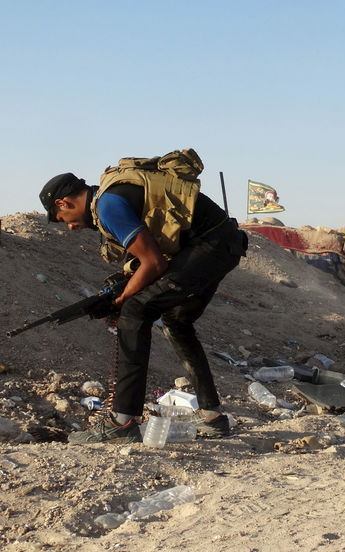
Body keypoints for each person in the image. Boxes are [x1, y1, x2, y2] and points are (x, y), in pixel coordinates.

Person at [40, 149, 248, 444]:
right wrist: (120, 290)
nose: (71, 226)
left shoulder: (109, 206)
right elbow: (147, 258)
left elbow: (154, 263)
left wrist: (120, 302)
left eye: (63, 218)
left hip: (211, 246)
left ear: (64, 202)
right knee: (177, 320)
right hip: (222, 243)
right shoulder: (112, 196)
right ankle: (211, 416)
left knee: (136, 311)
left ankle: (122, 422)